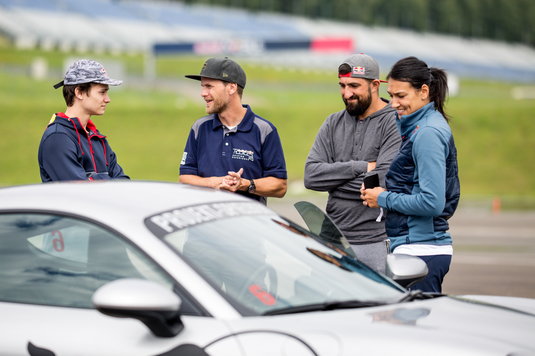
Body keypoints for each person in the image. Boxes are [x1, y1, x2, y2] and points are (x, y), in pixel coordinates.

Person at [360, 56, 460, 293]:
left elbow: (432, 202)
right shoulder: (418, 125)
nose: (393, 103)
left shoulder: (427, 133)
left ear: (424, 91)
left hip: (422, 252)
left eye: (401, 96)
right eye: (391, 95)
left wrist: (382, 198)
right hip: (414, 249)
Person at [304, 53, 401, 274]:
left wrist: (333, 182)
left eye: (354, 86)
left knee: (372, 305)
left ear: (375, 85)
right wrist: (361, 167)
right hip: (330, 238)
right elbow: (311, 176)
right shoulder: (332, 122)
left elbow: (382, 181)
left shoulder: (394, 122)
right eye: (342, 85)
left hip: (372, 239)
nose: (347, 93)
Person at [180, 57, 287, 204]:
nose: (203, 93)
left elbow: (280, 186)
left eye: (209, 86)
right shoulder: (199, 128)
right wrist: (214, 183)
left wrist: (244, 184)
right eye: (203, 86)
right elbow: (185, 178)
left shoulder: (264, 130)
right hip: (204, 225)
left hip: (247, 225)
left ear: (231, 88)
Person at [38, 59, 129, 182]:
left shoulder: (97, 139)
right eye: (102, 92)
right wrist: (109, 181)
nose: (108, 99)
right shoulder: (57, 138)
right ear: (79, 92)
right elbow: (80, 190)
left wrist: (94, 180)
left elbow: (124, 184)